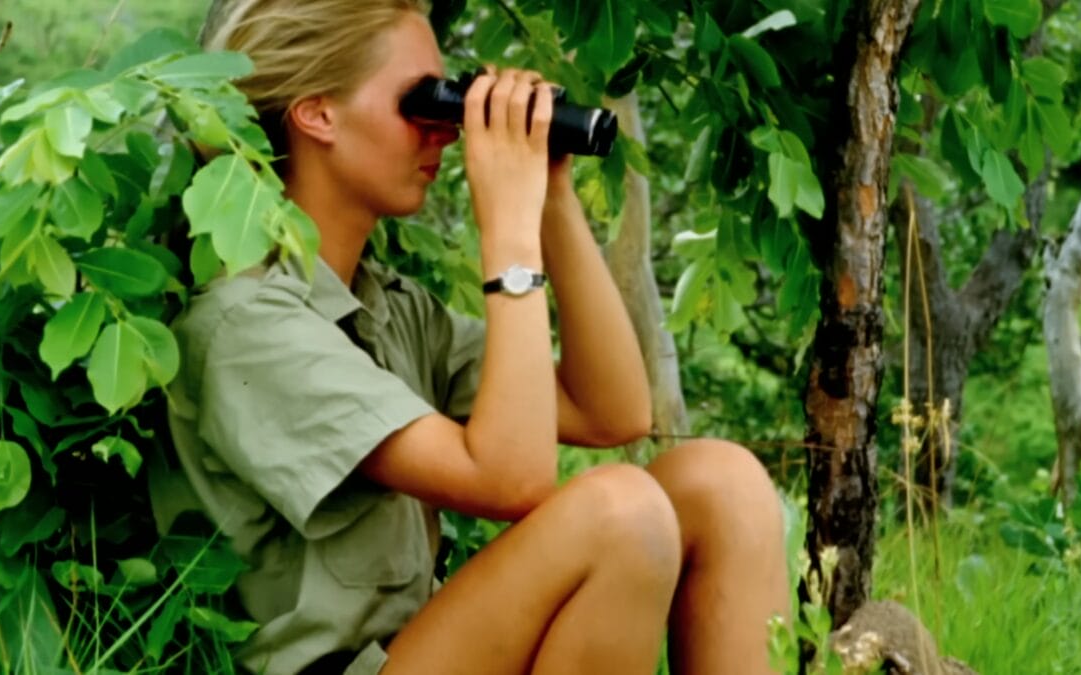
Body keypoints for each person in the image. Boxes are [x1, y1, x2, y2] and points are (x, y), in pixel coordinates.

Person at [154, 1, 789, 673]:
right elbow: (511, 479)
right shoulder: (245, 325)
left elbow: (614, 411)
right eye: (420, 103)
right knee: (622, 514)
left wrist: (548, 198)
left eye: (448, 102)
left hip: (422, 649)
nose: (446, 132)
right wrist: (506, 232)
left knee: (723, 482)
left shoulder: (384, 306)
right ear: (317, 114)